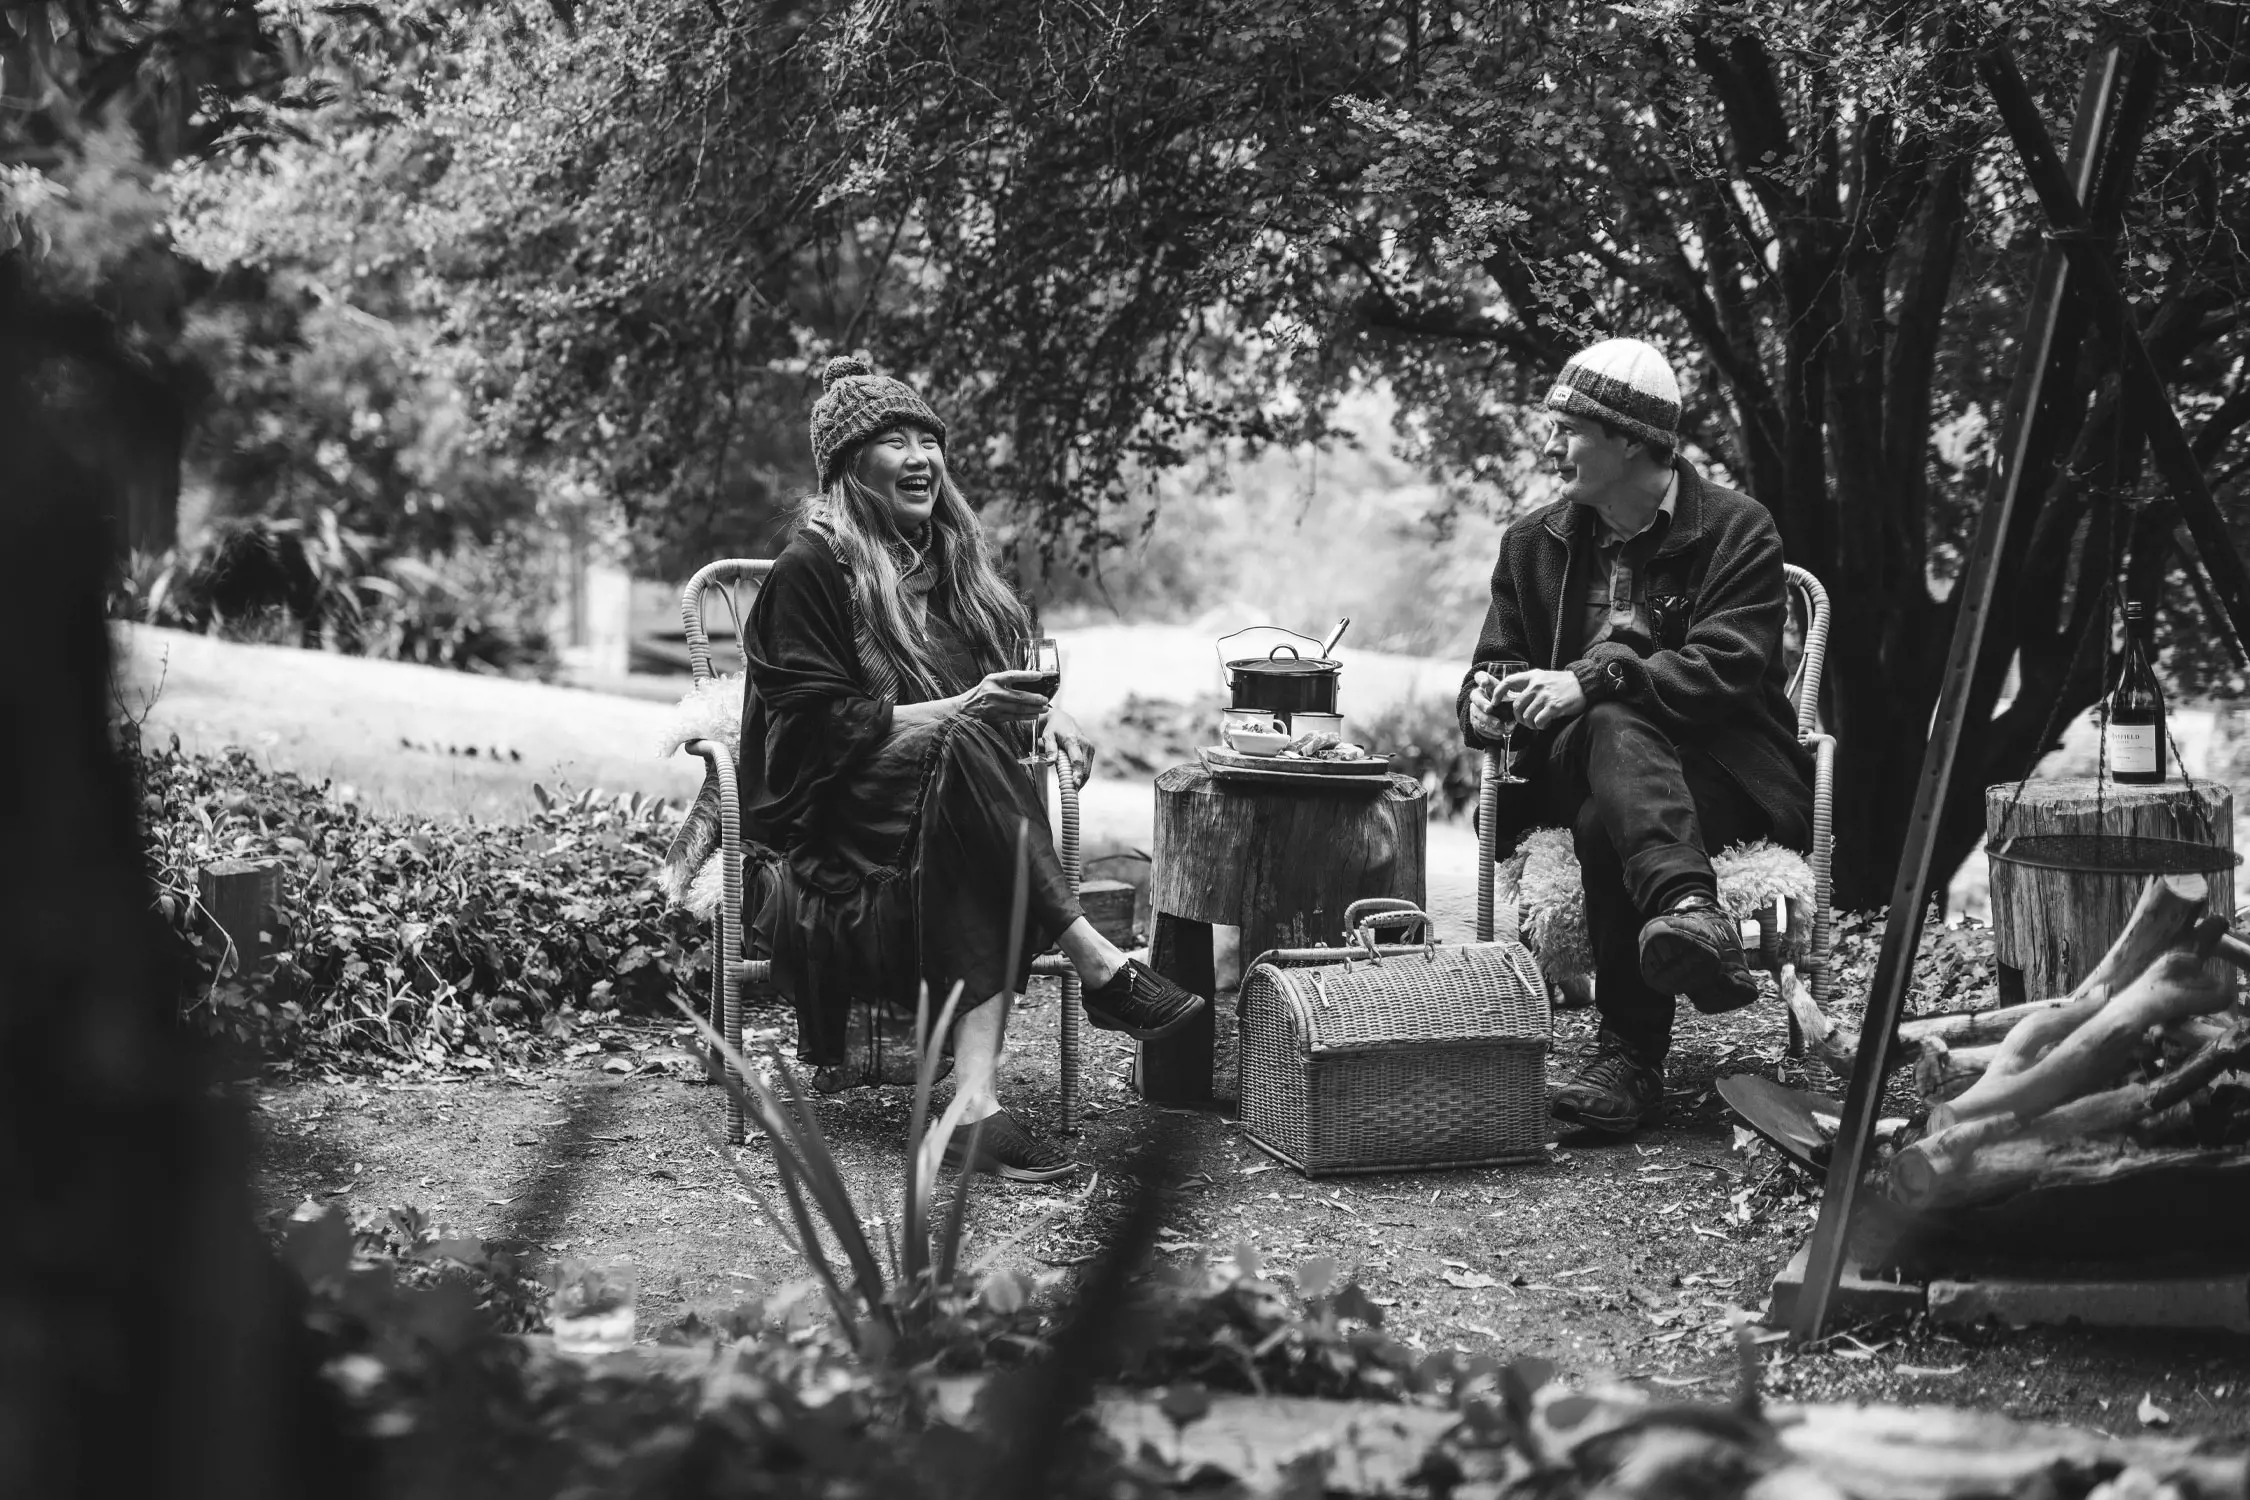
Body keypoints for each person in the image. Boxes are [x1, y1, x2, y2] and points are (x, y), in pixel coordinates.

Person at [740, 354, 1208, 1180]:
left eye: (930, 437)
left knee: (970, 765)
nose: (922, 455)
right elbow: (809, 738)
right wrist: (967, 712)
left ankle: (972, 1107)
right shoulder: (810, 570)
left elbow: (989, 696)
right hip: (838, 829)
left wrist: (1045, 713)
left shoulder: (953, 566)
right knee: (966, 742)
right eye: (894, 439)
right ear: (851, 467)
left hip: (946, 819)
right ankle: (1099, 962)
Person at [1458, 338, 1813, 1136]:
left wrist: (1595, 675)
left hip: (1719, 775)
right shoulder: (1531, 543)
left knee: (1603, 807)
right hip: (1571, 765)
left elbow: (1725, 668)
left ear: (1628, 438)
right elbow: (1494, 663)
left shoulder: (1737, 529)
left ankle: (1628, 1062)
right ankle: (1689, 909)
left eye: (1567, 430)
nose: (1550, 448)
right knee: (1607, 733)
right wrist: (1486, 704)